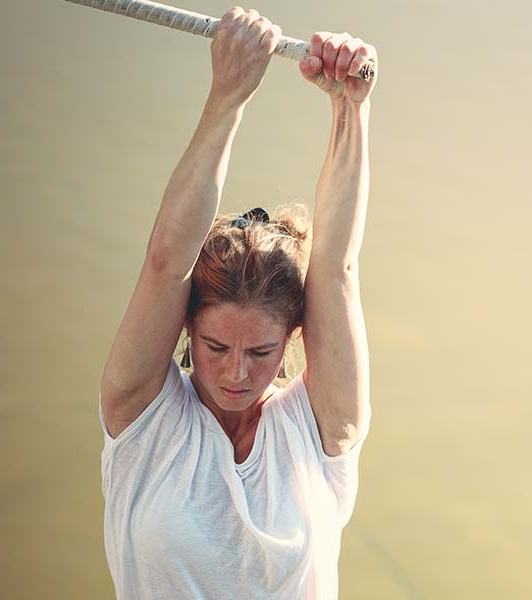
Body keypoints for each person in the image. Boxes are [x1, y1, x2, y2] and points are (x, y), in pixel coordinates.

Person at [97, 6, 377, 598]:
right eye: (216, 346)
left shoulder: (320, 429)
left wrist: (350, 107)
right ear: (186, 328)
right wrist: (229, 94)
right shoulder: (143, 418)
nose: (237, 372)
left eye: (262, 350)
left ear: (295, 338)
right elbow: (167, 262)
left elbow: (336, 269)